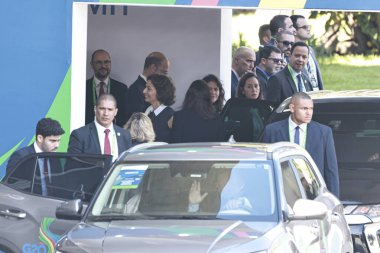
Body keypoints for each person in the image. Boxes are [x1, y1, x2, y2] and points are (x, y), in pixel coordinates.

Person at [262, 92, 339, 197]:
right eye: (304, 109)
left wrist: (333, 201)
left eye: (311, 108)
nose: (309, 113)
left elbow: (331, 171)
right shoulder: (272, 130)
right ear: (292, 108)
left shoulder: (324, 133)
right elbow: (265, 168)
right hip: (281, 193)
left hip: (314, 195)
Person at [68, 94, 132, 162]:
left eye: (110, 109)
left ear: (115, 112)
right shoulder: (80, 135)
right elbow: (72, 165)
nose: (106, 113)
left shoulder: (125, 135)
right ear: (95, 109)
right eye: (102, 109)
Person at [86, 49, 129, 127]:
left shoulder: (122, 89)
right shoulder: (83, 88)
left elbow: (125, 117)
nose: (103, 66)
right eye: (99, 62)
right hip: (88, 134)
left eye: (106, 62)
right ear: (92, 64)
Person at [126, 52, 170, 121]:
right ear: (153, 68)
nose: (164, 77)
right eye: (163, 72)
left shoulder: (140, 88)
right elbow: (136, 122)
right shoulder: (135, 90)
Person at [291, 14, 324, 91]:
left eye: (308, 26)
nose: (308, 29)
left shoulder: (311, 50)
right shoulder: (291, 52)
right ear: (294, 31)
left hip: (318, 95)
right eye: (304, 27)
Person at [144, 74, 175, 142]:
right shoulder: (148, 112)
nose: (144, 91)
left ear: (160, 92)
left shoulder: (170, 115)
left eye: (149, 89)